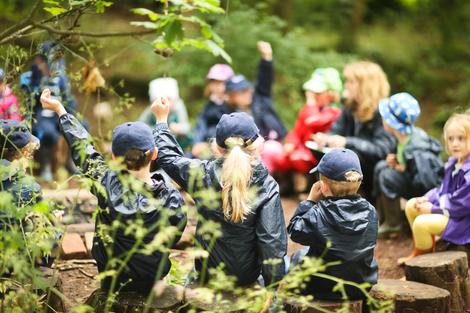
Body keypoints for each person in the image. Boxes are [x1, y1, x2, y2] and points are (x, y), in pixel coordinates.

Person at [40, 88, 186, 294]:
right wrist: (162, 121)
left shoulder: (105, 183)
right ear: (154, 154)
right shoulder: (169, 194)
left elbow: (84, 151)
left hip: (112, 277)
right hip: (153, 276)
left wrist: (61, 111)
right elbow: (175, 234)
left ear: (115, 158)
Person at [152, 96, 287, 287]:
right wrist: (272, 287)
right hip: (246, 277)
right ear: (257, 145)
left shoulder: (202, 174)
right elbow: (272, 241)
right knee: (289, 261)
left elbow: (168, 158)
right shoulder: (267, 185)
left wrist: (161, 121)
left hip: (209, 273)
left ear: (217, 146)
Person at [288, 148, 378, 300]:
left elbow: (295, 231)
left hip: (323, 287)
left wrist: (309, 201)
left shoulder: (318, 212)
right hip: (360, 285)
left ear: (323, 186)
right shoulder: (371, 211)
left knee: (298, 256)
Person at [313, 61, 396, 201]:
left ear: (366, 86)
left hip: (373, 174)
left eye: (351, 81)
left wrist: (347, 142)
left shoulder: (384, 111)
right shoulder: (350, 107)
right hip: (354, 169)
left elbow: (382, 149)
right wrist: (326, 138)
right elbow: (335, 130)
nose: (346, 85)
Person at [397, 112, 470, 265]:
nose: (455, 143)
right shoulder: (454, 163)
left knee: (422, 223)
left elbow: (460, 205)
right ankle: (419, 252)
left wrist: (433, 209)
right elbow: (442, 189)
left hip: (463, 222)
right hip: (453, 213)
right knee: (412, 205)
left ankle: (424, 264)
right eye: (451, 139)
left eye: (461, 138)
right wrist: (426, 199)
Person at [374, 93, 444, 236]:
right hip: (415, 181)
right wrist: (400, 165)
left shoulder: (417, 150)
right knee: (382, 166)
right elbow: (409, 166)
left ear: (391, 122)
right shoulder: (406, 136)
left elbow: (426, 180)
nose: (382, 119)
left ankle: (394, 224)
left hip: (425, 192)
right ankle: (384, 218)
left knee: (387, 175)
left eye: (384, 116)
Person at [0, 119, 58, 267]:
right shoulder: (28, 187)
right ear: (20, 153)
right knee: (47, 228)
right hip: (11, 254)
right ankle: (40, 266)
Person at [224, 42, 287, 172]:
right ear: (232, 96)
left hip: (268, 146)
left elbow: (265, 80)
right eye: (241, 92)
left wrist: (267, 58)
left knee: (271, 149)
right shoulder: (228, 113)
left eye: (247, 89)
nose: (247, 94)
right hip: (244, 153)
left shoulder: (260, 100)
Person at [278, 68, 342, 192]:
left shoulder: (334, 111)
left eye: (318, 93)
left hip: (317, 152)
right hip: (303, 148)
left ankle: (311, 186)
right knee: (283, 157)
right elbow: (297, 130)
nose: (313, 96)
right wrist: (290, 142)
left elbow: (313, 121)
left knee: (299, 158)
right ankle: (289, 186)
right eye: (312, 92)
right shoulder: (311, 109)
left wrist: (311, 104)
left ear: (331, 94)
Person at [20, 42, 77, 181]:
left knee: (78, 126)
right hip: (43, 115)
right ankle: (46, 166)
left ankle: (71, 162)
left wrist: (72, 114)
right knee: (47, 132)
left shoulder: (61, 77)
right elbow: (31, 101)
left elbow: (68, 99)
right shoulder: (35, 76)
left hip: (59, 113)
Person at [192, 64, 235, 158]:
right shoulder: (210, 104)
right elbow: (201, 124)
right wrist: (197, 142)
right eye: (214, 83)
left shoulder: (233, 104)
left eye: (221, 83)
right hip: (206, 144)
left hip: (226, 146)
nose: (217, 87)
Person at [140, 77, 191, 151]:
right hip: (155, 145)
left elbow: (187, 127)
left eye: (168, 99)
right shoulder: (152, 109)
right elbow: (141, 125)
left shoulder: (178, 108)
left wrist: (179, 128)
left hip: (176, 144)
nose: (165, 103)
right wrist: (156, 129)